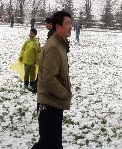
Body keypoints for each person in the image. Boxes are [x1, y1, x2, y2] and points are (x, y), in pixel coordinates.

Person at [34, 11, 73, 149]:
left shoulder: (60, 44)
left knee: (48, 143)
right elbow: (49, 78)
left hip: (53, 103)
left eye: (71, 23)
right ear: (58, 26)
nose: (71, 27)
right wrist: (64, 94)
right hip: (49, 105)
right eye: (68, 23)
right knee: (50, 144)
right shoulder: (54, 47)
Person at [19, 28, 41, 92]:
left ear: (35, 34)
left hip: (32, 61)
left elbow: (38, 53)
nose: (30, 34)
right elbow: (23, 49)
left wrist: (37, 61)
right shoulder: (27, 42)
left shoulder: (36, 43)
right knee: (26, 73)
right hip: (26, 60)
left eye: (32, 33)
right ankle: (26, 83)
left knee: (32, 73)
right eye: (30, 33)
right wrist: (21, 56)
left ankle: (31, 84)